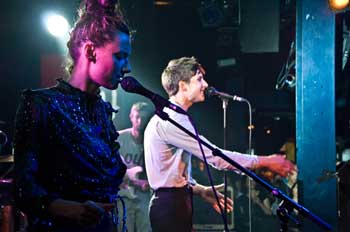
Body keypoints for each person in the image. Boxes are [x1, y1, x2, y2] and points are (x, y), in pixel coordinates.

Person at [13, 0, 131, 231]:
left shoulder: (101, 111)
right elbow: (22, 187)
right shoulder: (40, 105)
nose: (127, 67)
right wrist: (65, 207)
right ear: (90, 51)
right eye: (120, 56)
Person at [144, 56, 296, 232]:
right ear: (183, 85)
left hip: (174, 204)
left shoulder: (174, 116)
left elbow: (170, 174)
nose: (206, 84)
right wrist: (267, 161)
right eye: (199, 79)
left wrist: (200, 190)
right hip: (170, 207)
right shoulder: (171, 120)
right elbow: (216, 156)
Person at [117, 102, 153, 232]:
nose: (140, 121)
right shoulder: (118, 138)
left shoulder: (152, 142)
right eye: (137, 117)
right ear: (131, 117)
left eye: (143, 118)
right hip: (123, 196)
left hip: (144, 197)